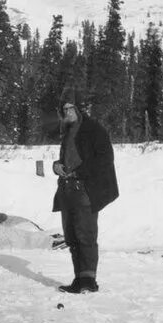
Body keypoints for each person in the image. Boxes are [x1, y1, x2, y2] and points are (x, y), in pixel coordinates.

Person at [51, 94, 119, 294]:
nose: (67, 112)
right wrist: (57, 166)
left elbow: (105, 159)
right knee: (71, 236)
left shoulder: (93, 129)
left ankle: (89, 280)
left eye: (70, 108)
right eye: (64, 110)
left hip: (86, 189)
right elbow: (69, 158)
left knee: (85, 235)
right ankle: (79, 279)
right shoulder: (69, 131)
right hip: (68, 188)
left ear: (79, 109)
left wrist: (79, 171)